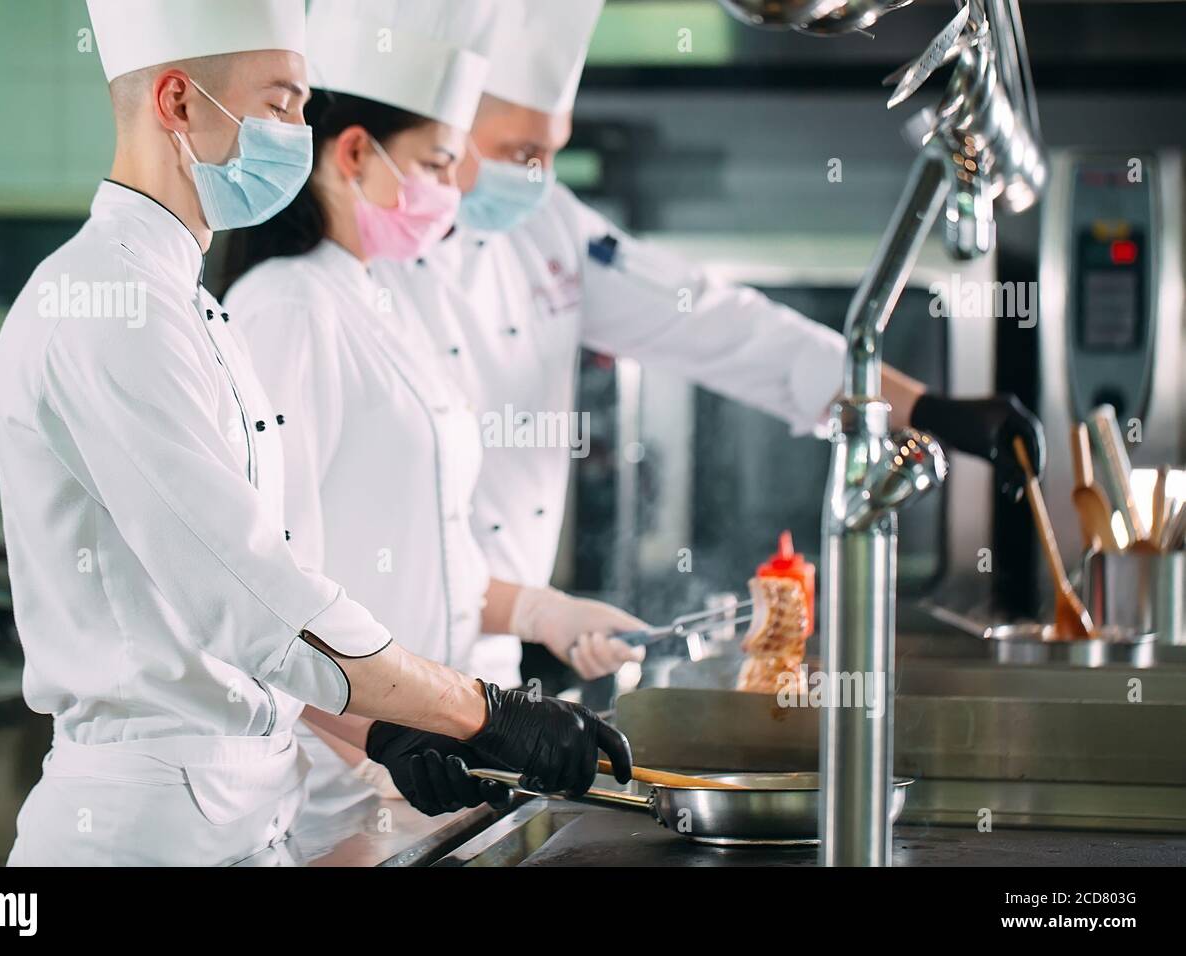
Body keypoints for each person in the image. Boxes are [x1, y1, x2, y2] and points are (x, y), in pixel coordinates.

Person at [0, 0, 629, 867]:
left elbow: (260, 611)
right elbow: (253, 600)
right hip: (140, 834)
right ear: (177, 104)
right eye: (284, 104)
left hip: (248, 815)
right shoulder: (110, 304)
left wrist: (386, 733)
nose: (302, 131)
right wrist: (484, 712)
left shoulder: (188, 302)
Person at [373, 0, 1047, 689]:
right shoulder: (360, 269)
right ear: (448, 134)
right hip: (380, 671)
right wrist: (543, 612)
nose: (539, 177)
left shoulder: (547, 228)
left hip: (490, 677)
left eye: (553, 153)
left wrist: (926, 408)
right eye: (523, 154)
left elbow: (723, 327)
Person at [221, 0, 645, 830]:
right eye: (443, 163)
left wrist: (539, 612)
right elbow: (256, 601)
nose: (457, 193)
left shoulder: (381, 301)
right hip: (336, 783)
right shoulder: (285, 310)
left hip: (434, 762)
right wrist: (380, 740)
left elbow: (420, 555)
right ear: (353, 153)